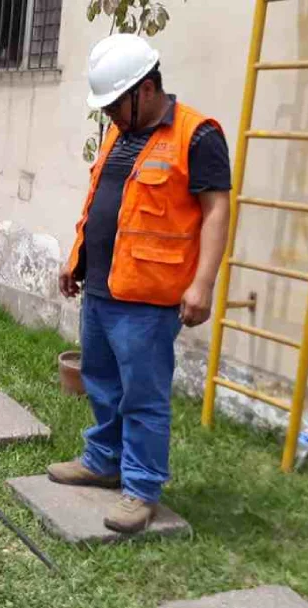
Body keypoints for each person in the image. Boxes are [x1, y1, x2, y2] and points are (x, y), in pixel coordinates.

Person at [51, 34, 231, 534]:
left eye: (115, 104)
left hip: (149, 299)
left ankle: (142, 488)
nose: (109, 114)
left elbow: (217, 211)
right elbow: (104, 201)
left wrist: (203, 285)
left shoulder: (197, 136)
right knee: (102, 383)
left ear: (146, 89)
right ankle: (103, 461)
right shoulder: (120, 133)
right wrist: (77, 258)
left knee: (143, 397)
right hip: (103, 288)